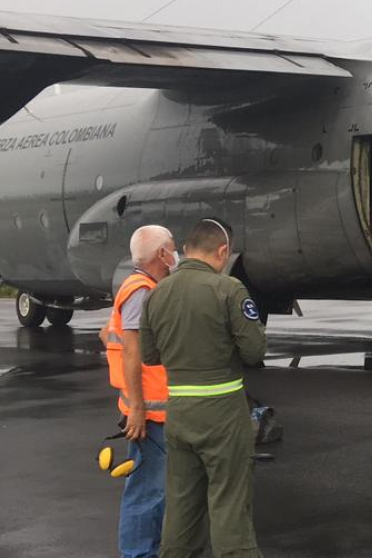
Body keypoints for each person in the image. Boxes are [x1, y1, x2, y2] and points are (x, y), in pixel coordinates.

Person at [140, 219, 266, 558]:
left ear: (185, 250)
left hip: (179, 413)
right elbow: (254, 351)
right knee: (230, 506)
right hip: (223, 414)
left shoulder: (157, 293)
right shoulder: (228, 289)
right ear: (223, 251)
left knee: (181, 509)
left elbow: (149, 355)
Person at [100, 225, 178, 558]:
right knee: (148, 491)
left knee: (153, 488)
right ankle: (138, 553)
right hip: (150, 413)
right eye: (172, 247)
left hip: (148, 408)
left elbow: (106, 334)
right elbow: (131, 350)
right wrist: (137, 409)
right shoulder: (142, 292)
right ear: (162, 254)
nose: (175, 253)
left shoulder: (137, 286)